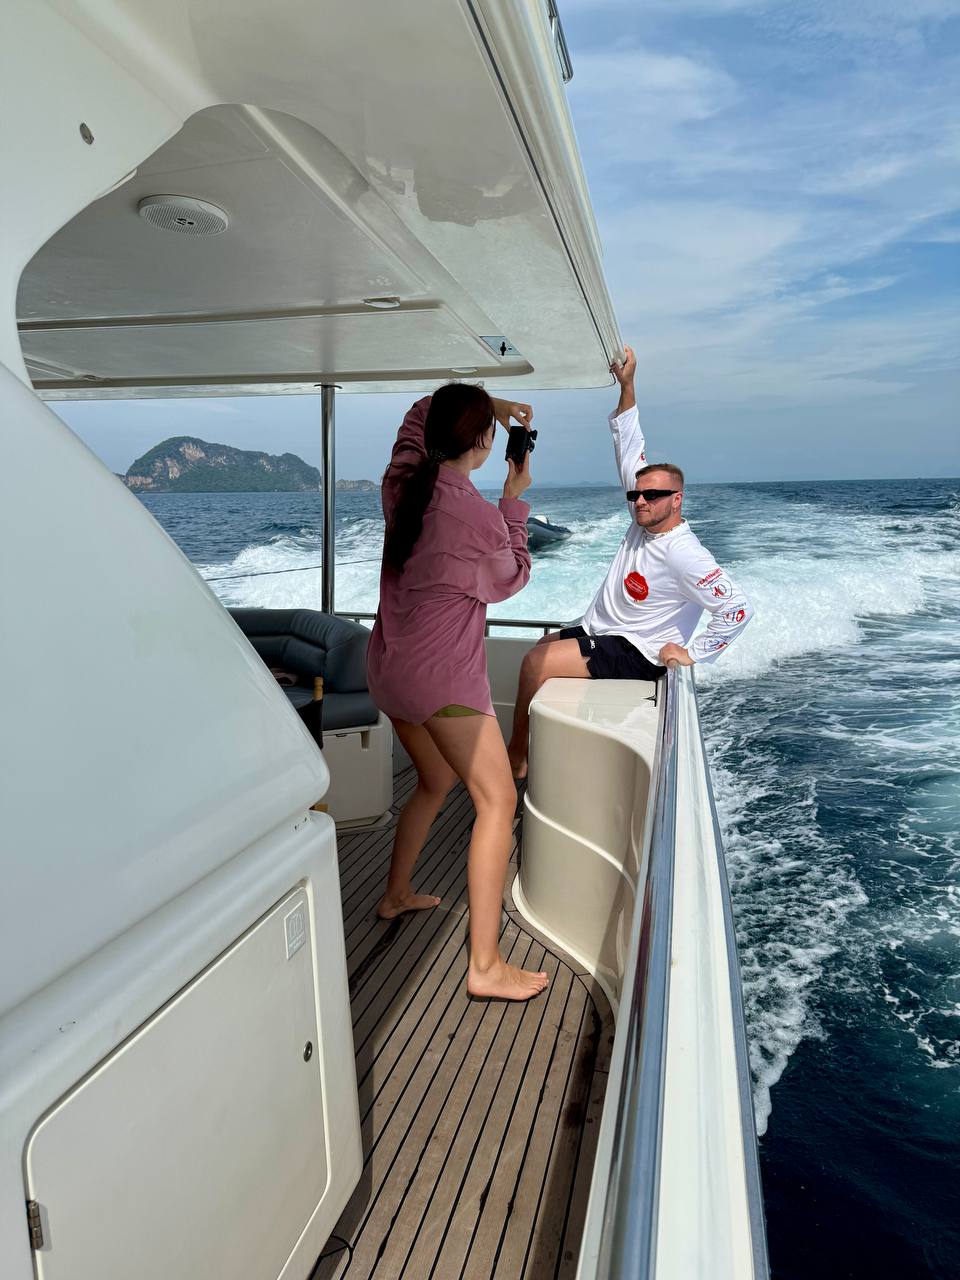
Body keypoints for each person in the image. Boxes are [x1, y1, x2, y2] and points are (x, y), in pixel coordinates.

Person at [367, 383, 549, 1002]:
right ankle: (485, 965)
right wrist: (513, 503)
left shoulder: (402, 483)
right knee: (497, 801)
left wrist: (487, 408)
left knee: (435, 781)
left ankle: (395, 894)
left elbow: (415, 417)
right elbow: (513, 576)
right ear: (484, 443)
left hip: (389, 672)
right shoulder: (477, 519)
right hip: (443, 682)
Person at [506, 345, 753, 778]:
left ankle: (517, 756)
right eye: (636, 494)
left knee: (534, 664)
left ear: (676, 500)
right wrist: (628, 384)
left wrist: (693, 653)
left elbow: (736, 608)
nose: (640, 501)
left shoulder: (684, 553)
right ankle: (536, 749)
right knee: (541, 646)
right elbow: (629, 441)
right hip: (603, 631)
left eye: (652, 495)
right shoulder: (643, 518)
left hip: (638, 650)